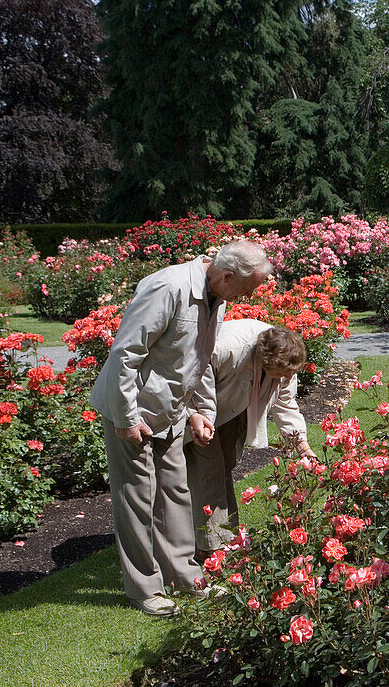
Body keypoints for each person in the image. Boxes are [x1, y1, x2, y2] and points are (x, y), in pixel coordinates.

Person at [89, 241, 272, 617]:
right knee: (138, 499)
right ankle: (145, 589)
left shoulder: (215, 298)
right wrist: (125, 417)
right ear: (226, 276)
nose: (247, 296)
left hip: (171, 412)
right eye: (247, 288)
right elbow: (126, 353)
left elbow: (200, 360)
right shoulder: (168, 287)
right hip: (135, 410)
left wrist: (200, 410)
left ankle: (184, 577)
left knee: (175, 494)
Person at [186, 320, 314, 556]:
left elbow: (285, 403)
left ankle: (228, 538)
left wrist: (301, 444)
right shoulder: (226, 349)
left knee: (223, 469)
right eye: (283, 373)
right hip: (198, 409)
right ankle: (212, 550)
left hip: (230, 408)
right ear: (265, 363)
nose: (287, 377)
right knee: (209, 472)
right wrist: (196, 414)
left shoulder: (288, 361)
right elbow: (190, 378)